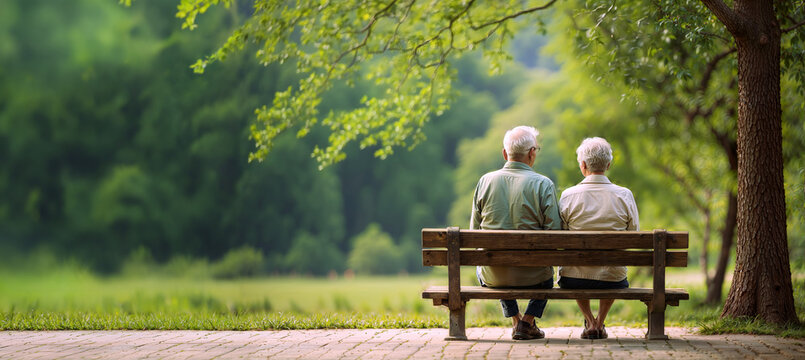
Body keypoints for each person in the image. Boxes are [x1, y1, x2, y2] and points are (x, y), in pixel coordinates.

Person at [471, 125, 562, 340]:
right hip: (535, 276)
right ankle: (527, 322)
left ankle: (516, 320)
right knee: (548, 276)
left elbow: (474, 232)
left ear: (505, 154)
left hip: (493, 275)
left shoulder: (485, 181)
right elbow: (555, 234)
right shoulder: (544, 184)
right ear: (532, 153)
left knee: (490, 264)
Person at [558, 137, 639, 340]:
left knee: (576, 265)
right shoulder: (625, 195)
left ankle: (590, 321)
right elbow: (633, 234)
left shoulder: (568, 196)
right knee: (611, 267)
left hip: (573, 279)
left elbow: (560, 235)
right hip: (613, 278)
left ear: (582, 165)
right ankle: (599, 322)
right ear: (608, 165)